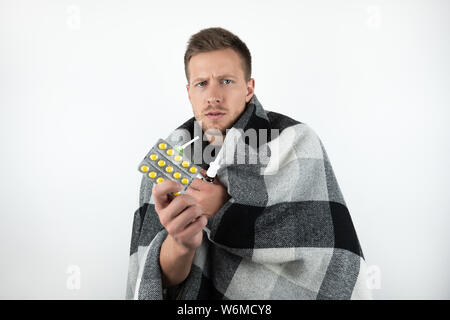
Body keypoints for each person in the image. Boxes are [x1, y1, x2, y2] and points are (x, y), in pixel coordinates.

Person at [126, 27, 372, 300]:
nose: (213, 96)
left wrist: (223, 210)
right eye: (201, 83)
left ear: (249, 88)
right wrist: (181, 243)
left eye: (227, 81)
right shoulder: (170, 157)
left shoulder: (297, 142)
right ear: (189, 92)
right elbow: (157, 280)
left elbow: (325, 251)